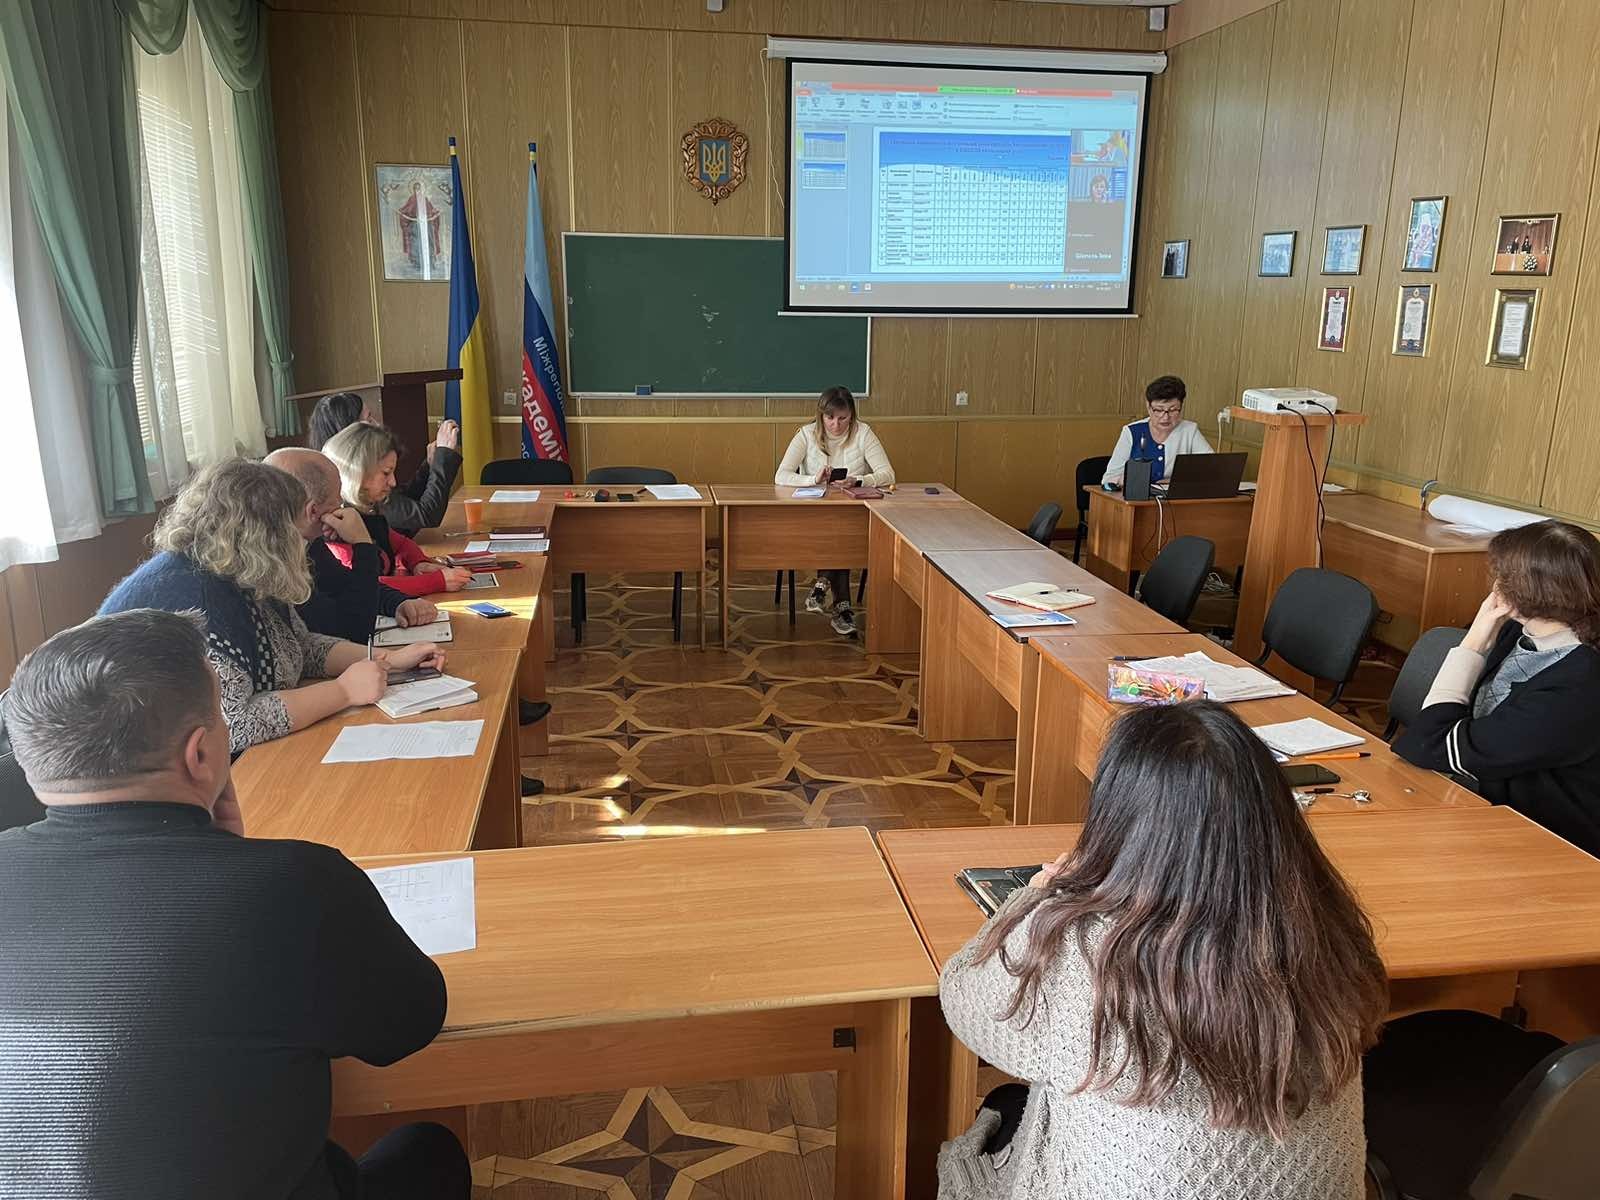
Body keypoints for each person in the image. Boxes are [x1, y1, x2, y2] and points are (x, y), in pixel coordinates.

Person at [0, 609, 468, 1200]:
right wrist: (236, 861)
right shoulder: (297, 882)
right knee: (428, 1150)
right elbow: (410, 1024)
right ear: (199, 755)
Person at [937, 700, 1386, 1199]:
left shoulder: (1081, 952)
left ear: (1118, 822)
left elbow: (961, 995)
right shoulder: (1332, 931)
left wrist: (1037, 895)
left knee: (1007, 1108)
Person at [99, 460, 445, 756]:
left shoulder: (238, 567)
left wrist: (387, 660)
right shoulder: (196, 597)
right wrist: (343, 691)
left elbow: (300, 645)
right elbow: (232, 724)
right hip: (140, 769)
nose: (306, 542)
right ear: (267, 534)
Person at [1394, 519, 1600, 855]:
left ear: (1522, 593)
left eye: (1503, 576)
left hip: (1544, 842)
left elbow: (1428, 744)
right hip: (1481, 800)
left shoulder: (1576, 688)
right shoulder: (1520, 632)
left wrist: (1473, 644)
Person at [265, 447, 438, 643]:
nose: (342, 504)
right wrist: (362, 545)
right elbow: (354, 630)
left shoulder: (307, 542)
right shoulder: (274, 566)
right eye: (337, 500)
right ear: (313, 511)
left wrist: (398, 602)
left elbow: (345, 584)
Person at [774, 385, 896, 637]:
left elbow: (888, 474)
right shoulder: (806, 434)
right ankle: (841, 610)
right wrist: (813, 479)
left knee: (843, 533)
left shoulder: (863, 433)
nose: (835, 425)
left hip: (852, 515)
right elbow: (781, 476)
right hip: (814, 517)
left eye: (843, 418)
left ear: (852, 415)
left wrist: (858, 480)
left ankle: (822, 587)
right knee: (839, 536)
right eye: (829, 418)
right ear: (821, 415)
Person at [321, 423, 473, 600]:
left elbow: (400, 543)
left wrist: (418, 563)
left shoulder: (366, 510)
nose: (393, 482)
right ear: (357, 473)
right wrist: (438, 581)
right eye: (386, 473)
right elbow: (371, 585)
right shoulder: (334, 527)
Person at [307, 391, 462, 536]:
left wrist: (429, 466)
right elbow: (425, 514)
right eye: (368, 419)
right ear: (352, 434)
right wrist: (444, 455)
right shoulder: (354, 490)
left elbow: (405, 502)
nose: (377, 425)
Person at [1101, 375, 1213, 487]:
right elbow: (1109, 479)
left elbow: (1212, 468)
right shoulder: (1131, 432)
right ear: (1148, 407)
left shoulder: (1189, 431)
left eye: (1173, 410)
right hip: (1136, 496)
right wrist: (1128, 480)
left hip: (1174, 496)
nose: (1165, 417)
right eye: (1159, 410)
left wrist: (1176, 480)